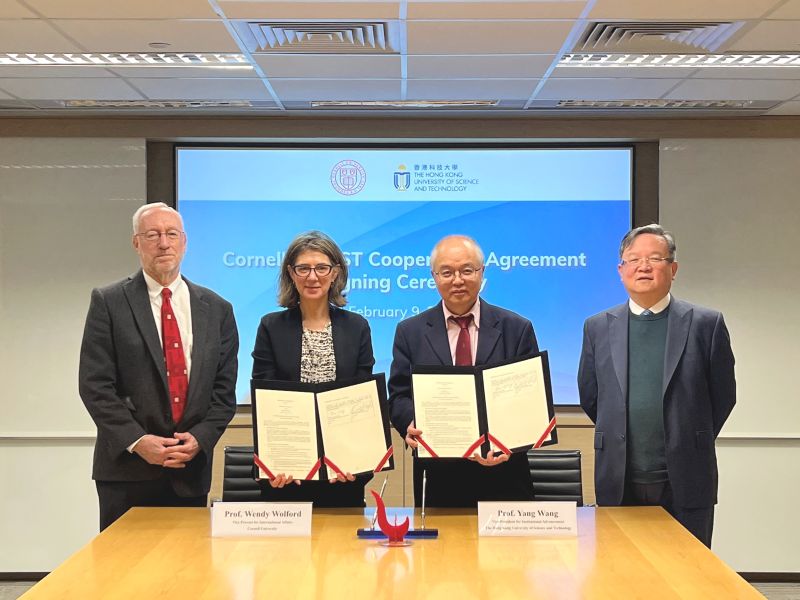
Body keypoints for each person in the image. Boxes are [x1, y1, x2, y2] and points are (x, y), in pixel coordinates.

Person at [79, 202, 238, 530]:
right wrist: (138, 441)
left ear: (184, 241)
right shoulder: (109, 302)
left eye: (171, 234)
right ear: (136, 242)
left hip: (189, 471)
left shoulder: (218, 308)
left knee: (186, 575)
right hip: (127, 473)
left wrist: (200, 439)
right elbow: (95, 385)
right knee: (124, 574)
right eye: (152, 235)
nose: (163, 243)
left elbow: (223, 392)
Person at [578, 224, 736, 548]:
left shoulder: (706, 324)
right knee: (621, 578)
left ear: (673, 268)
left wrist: (689, 435)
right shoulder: (597, 327)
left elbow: (723, 397)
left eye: (654, 258)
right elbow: (590, 395)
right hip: (619, 480)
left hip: (687, 478)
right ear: (621, 270)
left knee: (688, 576)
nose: (643, 266)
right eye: (633, 259)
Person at [388, 234, 538, 507]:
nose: (457, 280)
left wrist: (510, 444)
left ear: (482, 273)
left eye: (467, 270)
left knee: (508, 552)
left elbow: (530, 402)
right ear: (434, 276)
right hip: (439, 477)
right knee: (440, 550)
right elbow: (399, 396)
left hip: (504, 474)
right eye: (447, 272)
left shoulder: (517, 328)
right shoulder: (410, 332)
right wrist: (408, 422)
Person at [252, 231, 375, 507]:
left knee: (342, 549)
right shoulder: (270, 327)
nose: (312, 276)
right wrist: (274, 464)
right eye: (303, 268)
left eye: (321, 268)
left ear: (335, 273)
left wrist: (355, 464)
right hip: (286, 475)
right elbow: (266, 400)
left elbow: (362, 404)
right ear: (290, 274)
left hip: (343, 474)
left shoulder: (357, 327)